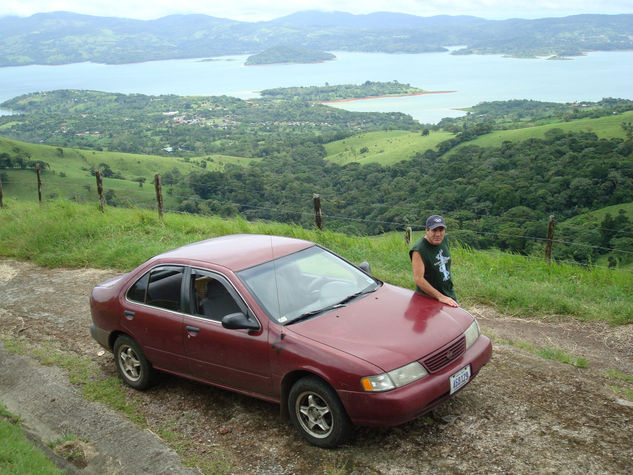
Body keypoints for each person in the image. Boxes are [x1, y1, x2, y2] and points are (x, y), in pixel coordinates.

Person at [409, 215, 459, 307]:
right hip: (429, 297)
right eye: (434, 230)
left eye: (441, 230)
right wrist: (440, 297)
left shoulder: (444, 240)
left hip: (448, 291)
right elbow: (418, 279)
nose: (438, 234)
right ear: (427, 230)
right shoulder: (419, 250)